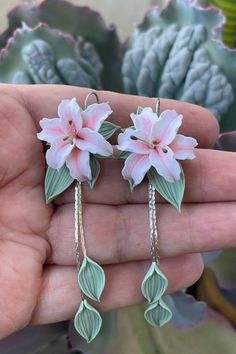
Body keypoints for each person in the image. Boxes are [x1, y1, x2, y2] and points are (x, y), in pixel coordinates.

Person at [0, 83, 234, 340]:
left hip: (148, 158)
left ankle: (142, 299)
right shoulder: (69, 140)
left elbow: (119, 150)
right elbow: (103, 152)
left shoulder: (144, 144)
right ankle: (95, 302)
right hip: (91, 159)